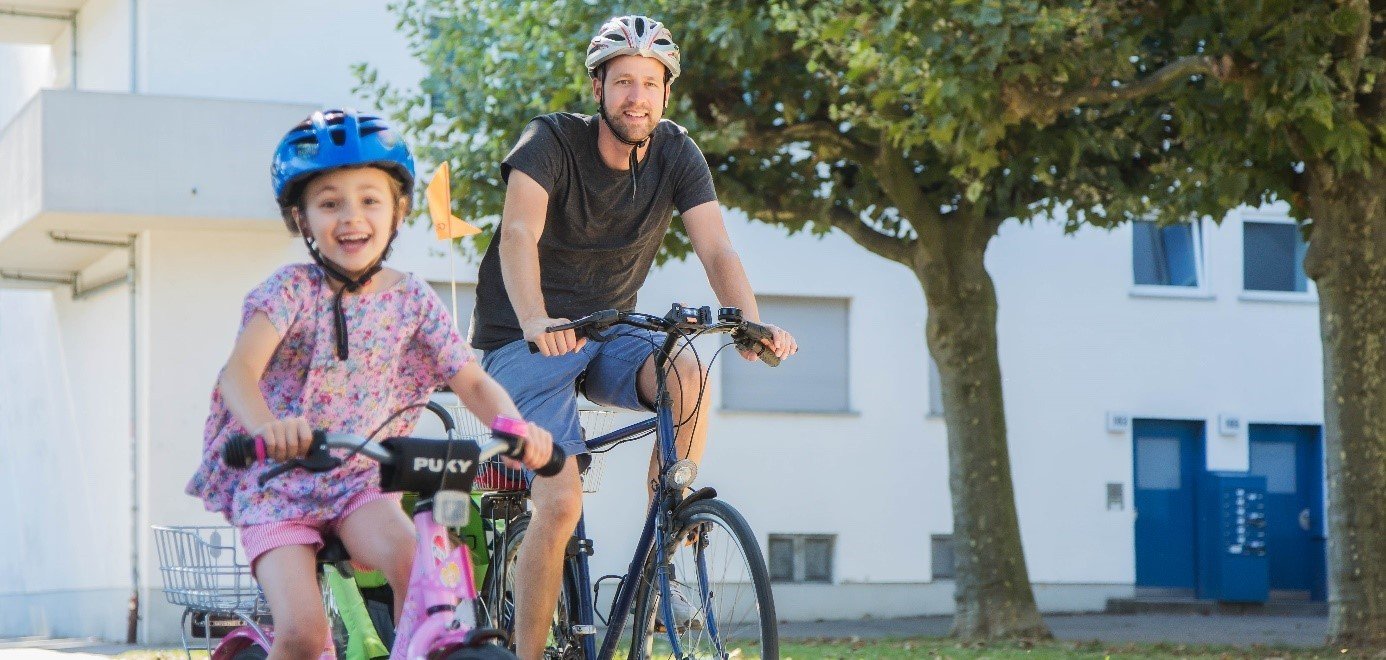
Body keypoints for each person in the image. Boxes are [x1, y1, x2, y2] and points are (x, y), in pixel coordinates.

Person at [468, 16, 798, 658]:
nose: (636, 97)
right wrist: (536, 320)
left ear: (665, 93)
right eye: (623, 82)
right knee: (560, 501)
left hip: (610, 332)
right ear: (598, 88)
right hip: (524, 341)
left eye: (650, 83)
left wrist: (748, 322)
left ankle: (669, 516)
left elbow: (715, 246)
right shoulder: (550, 141)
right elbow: (518, 235)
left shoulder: (676, 152)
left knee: (688, 369)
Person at [185, 109, 554, 660]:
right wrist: (269, 427)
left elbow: (469, 377)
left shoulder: (412, 299)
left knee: (418, 568)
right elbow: (237, 373)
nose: (351, 216)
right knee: (305, 634)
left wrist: (512, 425)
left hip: (359, 480)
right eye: (330, 202)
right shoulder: (289, 291)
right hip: (278, 483)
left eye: (370, 199)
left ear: (399, 211)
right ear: (301, 219)